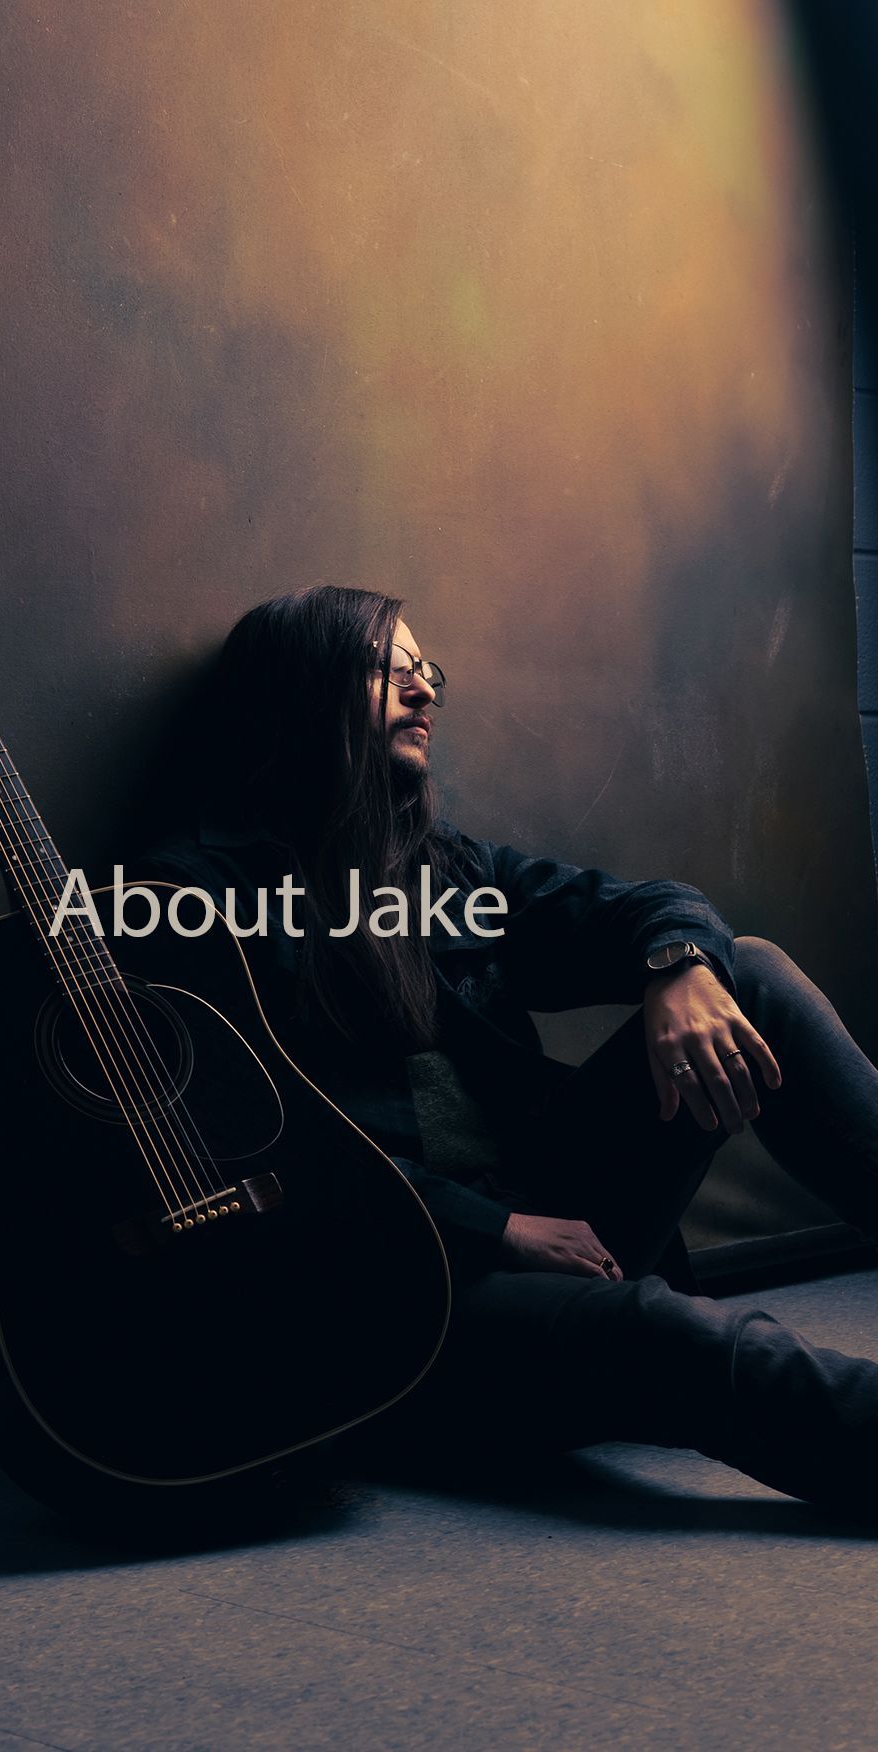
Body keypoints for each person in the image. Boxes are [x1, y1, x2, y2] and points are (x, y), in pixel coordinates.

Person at [139, 584, 878, 1512]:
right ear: (300, 693)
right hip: (403, 1293)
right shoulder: (190, 897)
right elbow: (253, 1157)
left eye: (426, 671)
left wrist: (681, 964)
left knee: (750, 975)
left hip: (548, 1215)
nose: (424, 692)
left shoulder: (446, 868)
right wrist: (496, 1230)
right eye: (387, 668)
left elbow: (643, 904)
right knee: (666, 1335)